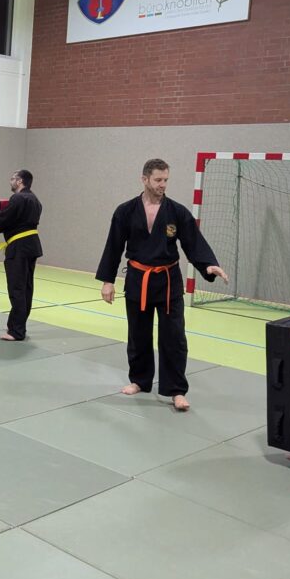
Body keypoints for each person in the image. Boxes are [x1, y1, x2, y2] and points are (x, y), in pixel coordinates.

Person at [96, 158, 228, 412]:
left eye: (166, 180)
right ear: (144, 179)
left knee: (174, 337)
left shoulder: (177, 212)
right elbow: (113, 247)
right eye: (158, 180)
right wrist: (107, 281)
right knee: (138, 335)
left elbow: (193, 242)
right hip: (138, 279)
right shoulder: (125, 211)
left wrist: (208, 265)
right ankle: (140, 380)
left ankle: (176, 390)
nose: (162, 185)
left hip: (168, 281)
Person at [0, 169, 43, 341]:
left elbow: (1, 221)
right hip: (31, 246)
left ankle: (16, 331)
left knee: (16, 288)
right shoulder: (35, 200)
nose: (10, 181)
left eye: (13, 179)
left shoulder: (18, 198)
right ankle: (19, 325)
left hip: (19, 248)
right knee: (26, 288)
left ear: (20, 181)